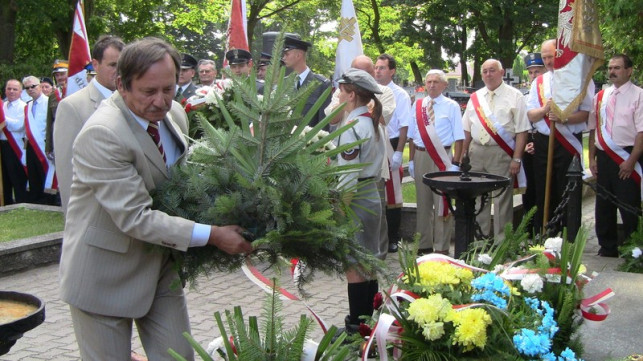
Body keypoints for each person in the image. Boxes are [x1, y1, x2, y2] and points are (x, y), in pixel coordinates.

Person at [58, 37, 253, 361]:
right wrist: (214, 235)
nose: (161, 102)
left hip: (161, 265)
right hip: (103, 277)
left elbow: (180, 183)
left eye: (169, 88)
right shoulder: (102, 133)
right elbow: (136, 217)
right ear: (121, 84)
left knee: (178, 357)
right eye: (149, 92)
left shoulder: (175, 113)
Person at [334, 67, 386, 334]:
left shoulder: (353, 126)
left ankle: (356, 324)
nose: (337, 95)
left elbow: (348, 174)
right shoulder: (372, 121)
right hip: (372, 193)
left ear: (351, 94)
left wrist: (340, 209)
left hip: (356, 197)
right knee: (370, 259)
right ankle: (370, 318)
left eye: (340, 90)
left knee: (353, 261)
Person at [527, 39, 594, 234]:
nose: (548, 61)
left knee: (567, 188)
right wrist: (544, 110)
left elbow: (586, 114)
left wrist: (564, 119)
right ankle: (545, 233)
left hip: (567, 142)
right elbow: (530, 114)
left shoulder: (580, 80)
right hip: (543, 140)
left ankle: (569, 234)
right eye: (545, 57)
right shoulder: (539, 82)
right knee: (543, 188)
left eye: (551, 56)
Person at [54, 35, 125, 213]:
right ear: (95, 64)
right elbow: (67, 171)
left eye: (123, 66)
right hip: (93, 215)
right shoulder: (72, 106)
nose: (119, 72)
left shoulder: (131, 100)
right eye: (112, 65)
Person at [461, 59, 529, 239]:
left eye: (492, 70)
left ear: (502, 72)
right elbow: (467, 129)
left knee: (501, 200)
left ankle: (502, 243)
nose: (488, 74)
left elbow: (522, 130)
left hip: (501, 153)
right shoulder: (475, 98)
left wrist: (516, 159)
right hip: (476, 153)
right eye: (485, 71)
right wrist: (463, 154)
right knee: (477, 198)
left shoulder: (515, 96)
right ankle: (480, 241)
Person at [588, 54, 643, 257]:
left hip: (627, 155)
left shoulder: (639, 96)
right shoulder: (601, 96)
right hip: (604, 156)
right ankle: (607, 246)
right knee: (603, 204)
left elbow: (641, 133)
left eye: (617, 68)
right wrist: (591, 158)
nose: (612, 72)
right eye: (610, 68)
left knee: (628, 204)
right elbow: (593, 128)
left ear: (629, 71)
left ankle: (633, 249)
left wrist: (631, 161)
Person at [408, 69, 464, 255]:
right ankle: (423, 245)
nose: (431, 85)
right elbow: (411, 136)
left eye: (436, 82)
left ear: (444, 85)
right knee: (422, 203)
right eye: (429, 81)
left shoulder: (452, 106)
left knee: (442, 203)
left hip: (443, 158)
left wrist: (456, 163)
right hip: (421, 156)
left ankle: (441, 247)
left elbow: (459, 137)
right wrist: (411, 160)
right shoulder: (417, 105)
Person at [374, 53, 409, 253]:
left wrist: (398, 152)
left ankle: (393, 238)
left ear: (392, 71)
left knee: (392, 194)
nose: (378, 71)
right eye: (376, 67)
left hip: (392, 142)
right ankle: (377, 235)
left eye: (382, 68)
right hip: (374, 142)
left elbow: (404, 125)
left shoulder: (400, 95)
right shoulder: (369, 90)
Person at [282, 34, 331, 128]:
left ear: (298, 55)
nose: (283, 58)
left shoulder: (321, 85)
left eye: (286, 54)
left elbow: (323, 123)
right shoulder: (284, 84)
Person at [522, 52, 546, 234]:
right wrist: (524, 144)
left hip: (544, 142)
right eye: (531, 72)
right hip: (527, 144)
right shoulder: (525, 97)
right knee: (528, 188)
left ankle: (542, 225)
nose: (533, 76)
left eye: (537, 72)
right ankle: (528, 228)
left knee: (542, 188)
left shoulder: (549, 95)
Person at [22, 76, 55, 204]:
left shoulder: (48, 102)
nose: (31, 89)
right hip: (31, 145)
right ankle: (36, 200)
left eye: (33, 86)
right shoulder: (28, 106)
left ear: (40, 86)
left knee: (45, 174)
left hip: (44, 145)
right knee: (33, 174)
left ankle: (48, 201)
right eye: (27, 88)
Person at [1, 79, 28, 205]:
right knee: (4, 177)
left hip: (15, 146)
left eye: (15, 89)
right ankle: (6, 203)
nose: (11, 91)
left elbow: (18, 126)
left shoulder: (23, 106)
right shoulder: (3, 106)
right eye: (9, 89)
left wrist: (3, 119)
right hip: (2, 145)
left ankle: (20, 203)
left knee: (16, 177)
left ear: (20, 92)